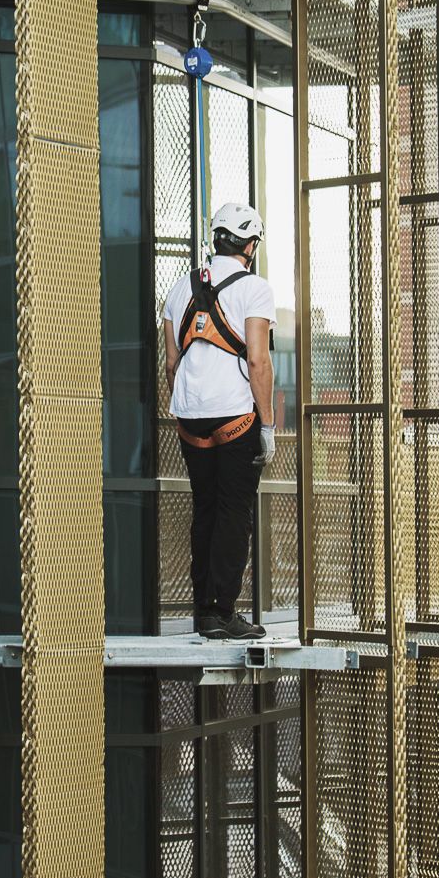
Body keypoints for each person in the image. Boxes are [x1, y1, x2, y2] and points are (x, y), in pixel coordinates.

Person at [162, 201, 277, 640]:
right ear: (249, 244)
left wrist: (187, 403)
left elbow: (171, 364)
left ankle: (204, 613)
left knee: (205, 510)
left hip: (190, 417)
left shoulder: (178, 289)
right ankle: (222, 613)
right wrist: (265, 425)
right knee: (233, 512)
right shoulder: (255, 288)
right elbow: (258, 359)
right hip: (235, 416)